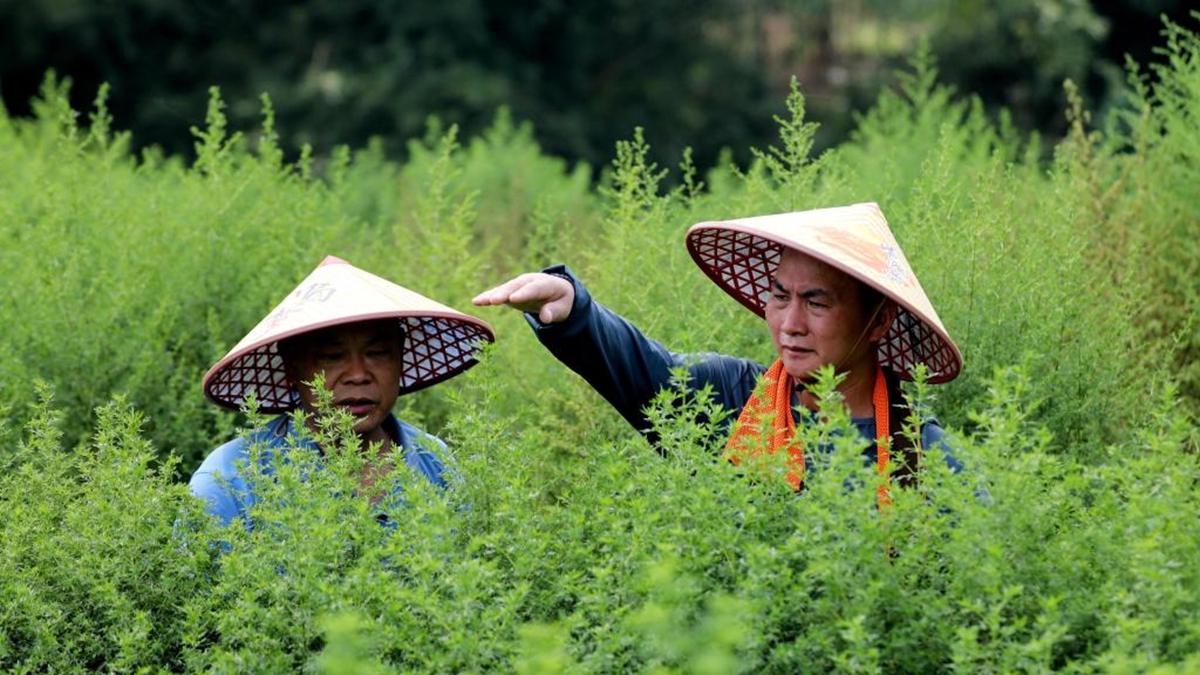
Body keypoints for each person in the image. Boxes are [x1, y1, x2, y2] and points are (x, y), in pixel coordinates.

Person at [473, 202, 964, 499]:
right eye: (779, 296)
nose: (790, 324)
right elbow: (646, 371)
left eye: (817, 302)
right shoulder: (733, 399)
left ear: (877, 320)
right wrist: (575, 307)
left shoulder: (921, 454)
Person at [190, 255, 494, 527]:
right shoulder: (231, 482)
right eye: (331, 357)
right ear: (292, 367)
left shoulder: (435, 462)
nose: (358, 375)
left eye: (377, 353)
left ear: (401, 356)